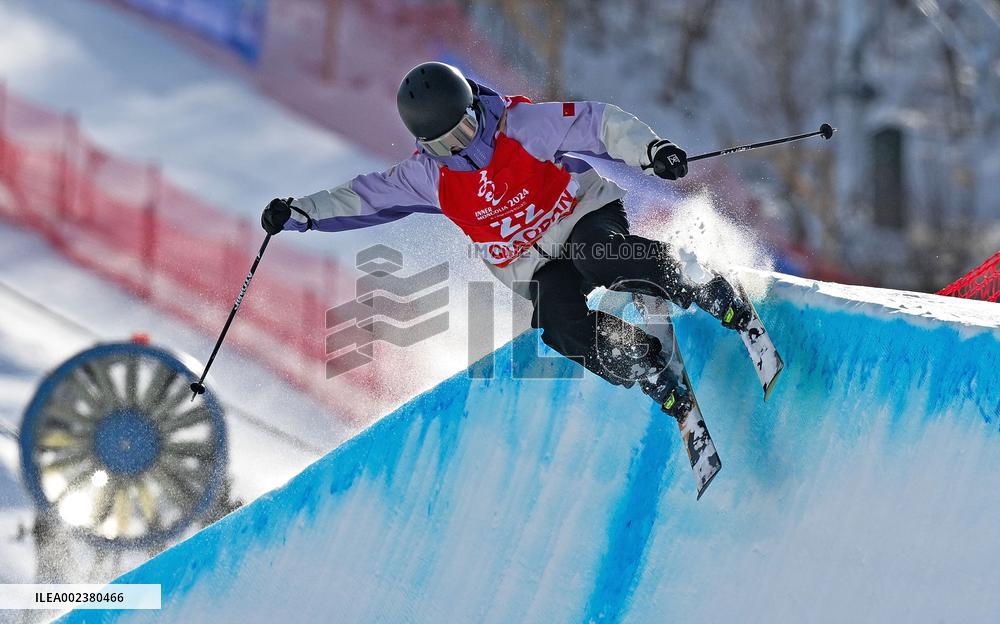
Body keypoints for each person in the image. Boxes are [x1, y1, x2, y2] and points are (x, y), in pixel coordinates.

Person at [260, 61, 751, 418]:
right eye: (446, 145)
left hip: (581, 216)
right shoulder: (427, 177)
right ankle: (643, 364)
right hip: (533, 267)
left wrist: (652, 150)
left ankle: (701, 283)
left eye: (467, 129)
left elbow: (599, 124)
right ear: (426, 147)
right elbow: (363, 198)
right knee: (560, 327)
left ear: (475, 108)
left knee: (600, 257)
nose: (464, 147)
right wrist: (301, 212)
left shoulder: (522, 125)